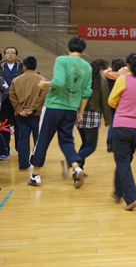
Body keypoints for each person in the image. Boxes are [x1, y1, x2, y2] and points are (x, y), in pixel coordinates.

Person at [28, 37, 92, 188]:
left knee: (42, 139)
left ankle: (35, 176)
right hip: (71, 110)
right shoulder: (87, 67)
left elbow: (59, 82)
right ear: (83, 51)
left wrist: (45, 83)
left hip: (53, 108)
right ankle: (76, 167)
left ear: (68, 49)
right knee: (67, 141)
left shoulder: (62, 60)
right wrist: (80, 113)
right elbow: (86, 92)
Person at [108, 52, 136, 211]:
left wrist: (123, 106)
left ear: (127, 65)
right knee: (125, 160)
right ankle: (118, 191)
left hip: (122, 126)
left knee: (122, 162)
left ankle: (132, 198)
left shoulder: (122, 79)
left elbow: (111, 101)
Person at [9, 56, 47, 170]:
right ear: (35, 66)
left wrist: (20, 110)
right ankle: (37, 163)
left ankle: (23, 164)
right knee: (38, 139)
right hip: (36, 116)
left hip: (21, 116)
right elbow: (43, 97)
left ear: (24, 67)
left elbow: (12, 97)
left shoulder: (15, 80)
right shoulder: (42, 80)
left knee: (23, 139)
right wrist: (33, 109)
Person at [75, 59, 111, 175]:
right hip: (93, 114)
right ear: (101, 68)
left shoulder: (81, 78)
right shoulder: (102, 80)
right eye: (105, 68)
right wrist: (108, 119)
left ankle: (79, 170)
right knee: (91, 146)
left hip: (79, 113)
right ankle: (71, 161)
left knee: (85, 143)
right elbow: (105, 100)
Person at [0, 47, 23, 161]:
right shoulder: (0, 67)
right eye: (8, 53)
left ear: (16, 55)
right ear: (4, 55)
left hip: (18, 102)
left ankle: (20, 150)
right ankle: (5, 150)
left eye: (12, 53)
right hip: (4, 102)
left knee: (19, 125)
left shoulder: (21, 67)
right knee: (5, 126)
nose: (10, 55)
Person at [104, 57, 126, 153]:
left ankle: (109, 144)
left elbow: (105, 71)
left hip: (111, 101)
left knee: (112, 124)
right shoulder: (122, 76)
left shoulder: (107, 75)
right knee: (122, 124)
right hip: (120, 102)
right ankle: (120, 143)